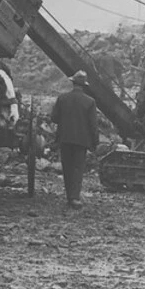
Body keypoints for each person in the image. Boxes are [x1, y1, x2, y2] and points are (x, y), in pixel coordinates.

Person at [51, 70, 99, 209]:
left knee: (67, 167)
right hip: (82, 141)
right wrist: (95, 142)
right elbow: (93, 125)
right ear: (84, 86)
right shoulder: (90, 101)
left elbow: (54, 118)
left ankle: (69, 197)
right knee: (78, 168)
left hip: (64, 138)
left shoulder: (62, 98)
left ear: (73, 83)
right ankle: (75, 198)